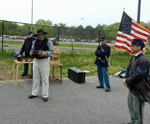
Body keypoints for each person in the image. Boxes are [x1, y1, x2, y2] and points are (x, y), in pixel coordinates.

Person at [123, 39, 150, 124]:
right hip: (131, 86)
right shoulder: (134, 57)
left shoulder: (143, 60)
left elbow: (138, 75)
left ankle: (138, 122)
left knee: (138, 109)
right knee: (131, 105)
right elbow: (128, 70)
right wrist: (126, 80)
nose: (131, 47)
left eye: (133, 46)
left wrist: (127, 80)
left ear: (139, 47)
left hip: (139, 88)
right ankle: (133, 121)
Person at [29, 29, 54, 102]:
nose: (39, 36)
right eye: (38, 35)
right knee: (35, 77)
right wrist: (31, 53)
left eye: (40, 35)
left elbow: (52, 52)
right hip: (36, 61)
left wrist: (45, 53)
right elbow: (32, 49)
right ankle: (35, 93)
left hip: (44, 61)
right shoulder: (35, 41)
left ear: (43, 34)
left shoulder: (48, 41)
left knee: (45, 79)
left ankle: (45, 95)